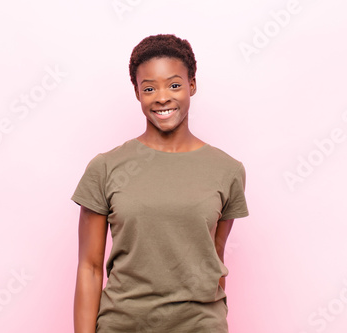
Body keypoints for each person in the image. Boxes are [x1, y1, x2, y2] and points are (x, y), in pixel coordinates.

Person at [71, 34, 249, 333]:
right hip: (123, 324)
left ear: (192, 85)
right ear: (138, 93)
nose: (162, 97)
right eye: (149, 88)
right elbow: (89, 268)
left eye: (174, 85)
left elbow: (214, 259)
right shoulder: (105, 167)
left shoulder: (227, 170)